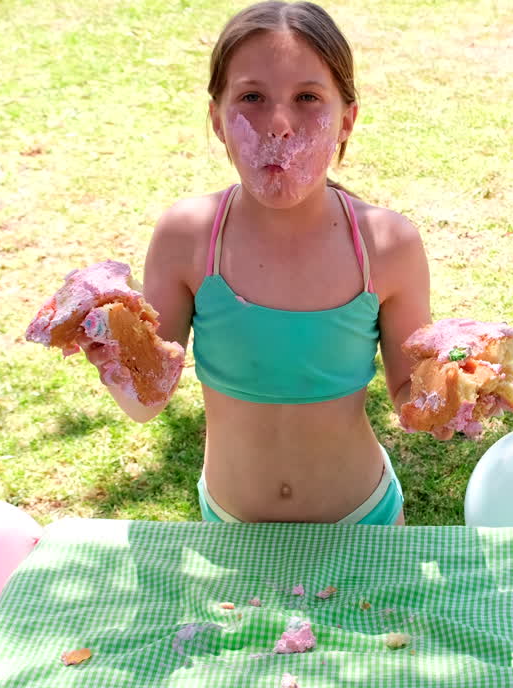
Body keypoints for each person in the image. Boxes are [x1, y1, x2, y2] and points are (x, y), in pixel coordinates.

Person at [88, 1, 431, 526]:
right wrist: (112, 360)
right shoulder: (187, 237)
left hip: (364, 521)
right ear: (217, 120)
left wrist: (454, 390)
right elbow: (145, 402)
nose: (279, 124)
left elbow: (411, 396)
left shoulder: (387, 244)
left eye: (307, 98)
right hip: (230, 527)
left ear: (346, 120)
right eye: (252, 97)